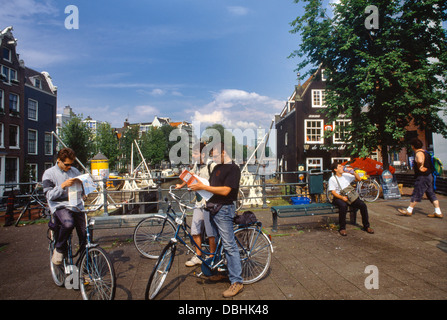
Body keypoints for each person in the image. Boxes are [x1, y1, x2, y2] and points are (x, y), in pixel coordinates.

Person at [189, 142, 243, 298]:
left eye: (215, 155)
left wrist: (204, 188)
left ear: (223, 152)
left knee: (229, 244)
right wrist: (199, 186)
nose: (212, 158)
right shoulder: (217, 167)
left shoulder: (233, 168)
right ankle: (223, 272)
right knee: (218, 241)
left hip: (225, 208)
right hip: (213, 207)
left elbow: (226, 190)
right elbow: (211, 186)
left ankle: (237, 281)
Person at [175, 142, 217, 267]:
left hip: (209, 203)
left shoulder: (212, 166)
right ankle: (198, 256)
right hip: (199, 203)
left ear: (202, 154)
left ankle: (211, 257)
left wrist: (202, 187)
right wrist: (181, 185)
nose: (193, 156)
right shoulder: (197, 165)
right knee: (195, 230)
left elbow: (216, 185)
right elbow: (190, 175)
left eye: (195, 154)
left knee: (211, 233)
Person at [42, 148, 86, 265]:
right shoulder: (49, 173)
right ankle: (59, 248)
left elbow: (83, 189)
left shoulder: (75, 171)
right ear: (58, 160)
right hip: (60, 205)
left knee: (85, 235)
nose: (69, 167)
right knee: (68, 224)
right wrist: (62, 186)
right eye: (66, 164)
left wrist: (85, 189)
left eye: (71, 164)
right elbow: (49, 195)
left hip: (76, 204)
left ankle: (86, 266)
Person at [397, 138, 443, 218]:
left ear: (413, 146)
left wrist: (420, 167)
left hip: (422, 177)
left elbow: (420, 161)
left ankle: (409, 210)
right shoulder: (426, 152)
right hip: (429, 176)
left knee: (417, 192)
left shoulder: (418, 153)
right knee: (431, 194)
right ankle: (438, 211)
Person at [328, 162, 374, 236]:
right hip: (338, 197)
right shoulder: (332, 179)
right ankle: (342, 228)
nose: (342, 167)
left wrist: (353, 172)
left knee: (362, 205)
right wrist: (342, 197)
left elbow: (358, 179)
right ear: (335, 169)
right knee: (343, 206)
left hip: (349, 196)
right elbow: (333, 192)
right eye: (340, 166)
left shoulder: (346, 175)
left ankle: (366, 226)